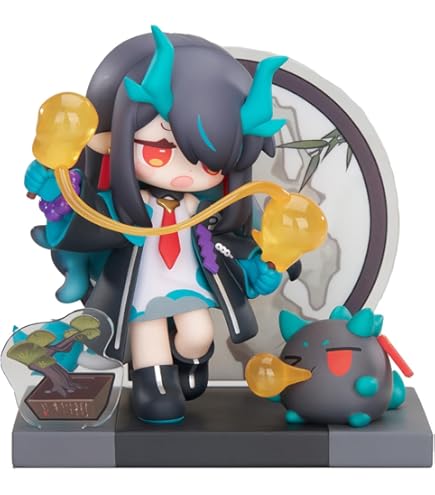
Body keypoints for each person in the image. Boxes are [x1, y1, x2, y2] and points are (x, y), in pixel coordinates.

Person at [25, 26, 292, 423]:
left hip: (188, 283)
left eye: (210, 162)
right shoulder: (125, 209)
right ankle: (154, 384)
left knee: (199, 334)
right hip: (140, 286)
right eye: (161, 149)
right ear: (111, 139)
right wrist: (57, 194)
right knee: (147, 333)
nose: (184, 171)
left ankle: (190, 360)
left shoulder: (207, 210)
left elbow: (230, 244)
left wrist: (255, 271)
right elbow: (87, 221)